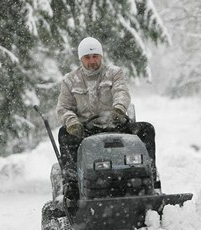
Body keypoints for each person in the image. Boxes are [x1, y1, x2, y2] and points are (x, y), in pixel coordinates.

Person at [56, 37, 158, 200]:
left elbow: (121, 93)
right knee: (64, 134)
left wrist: (118, 109)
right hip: (85, 131)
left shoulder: (114, 73)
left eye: (95, 56)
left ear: (101, 56)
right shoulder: (70, 80)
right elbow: (64, 108)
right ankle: (73, 183)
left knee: (146, 129)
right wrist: (72, 122)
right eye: (87, 58)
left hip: (116, 125)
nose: (92, 61)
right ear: (81, 59)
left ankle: (152, 179)